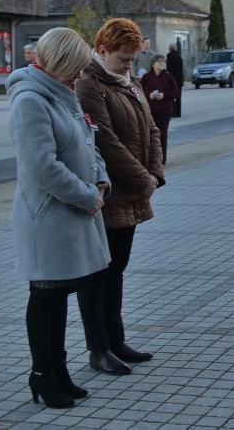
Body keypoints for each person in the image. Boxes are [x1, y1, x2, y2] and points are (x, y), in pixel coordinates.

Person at [6, 27, 112, 409]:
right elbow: (41, 167)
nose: (80, 77)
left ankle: (59, 371)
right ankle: (42, 375)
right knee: (46, 298)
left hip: (76, 213)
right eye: (75, 69)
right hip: (49, 218)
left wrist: (101, 179)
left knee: (61, 295)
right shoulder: (30, 100)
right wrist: (87, 196)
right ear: (57, 64)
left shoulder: (63, 94)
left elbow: (88, 142)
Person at [76, 19, 164, 375]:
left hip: (134, 191)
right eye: (123, 59)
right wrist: (144, 179)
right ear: (101, 51)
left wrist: (155, 173)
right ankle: (98, 348)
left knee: (118, 270)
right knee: (99, 273)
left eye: (132, 59)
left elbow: (152, 129)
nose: (130, 66)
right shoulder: (89, 86)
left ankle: (116, 339)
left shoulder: (132, 84)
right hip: (109, 193)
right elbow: (106, 143)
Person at [140, 54, 180, 164]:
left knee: (162, 135)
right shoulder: (146, 77)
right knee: (149, 135)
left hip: (164, 111)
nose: (162, 63)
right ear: (153, 63)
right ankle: (150, 158)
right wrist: (149, 95)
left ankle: (161, 159)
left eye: (163, 61)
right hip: (150, 111)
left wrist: (164, 95)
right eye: (159, 61)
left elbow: (176, 92)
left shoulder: (168, 76)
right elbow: (138, 91)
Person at [166, 43, 185, 117]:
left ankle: (173, 112)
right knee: (178, 96)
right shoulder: (179, 56)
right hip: (179, 79)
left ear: (169, 49)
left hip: (173, 79)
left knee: (172, 96)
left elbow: (169, 68)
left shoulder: (170, 55)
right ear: (176, 49)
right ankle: (178, 113)